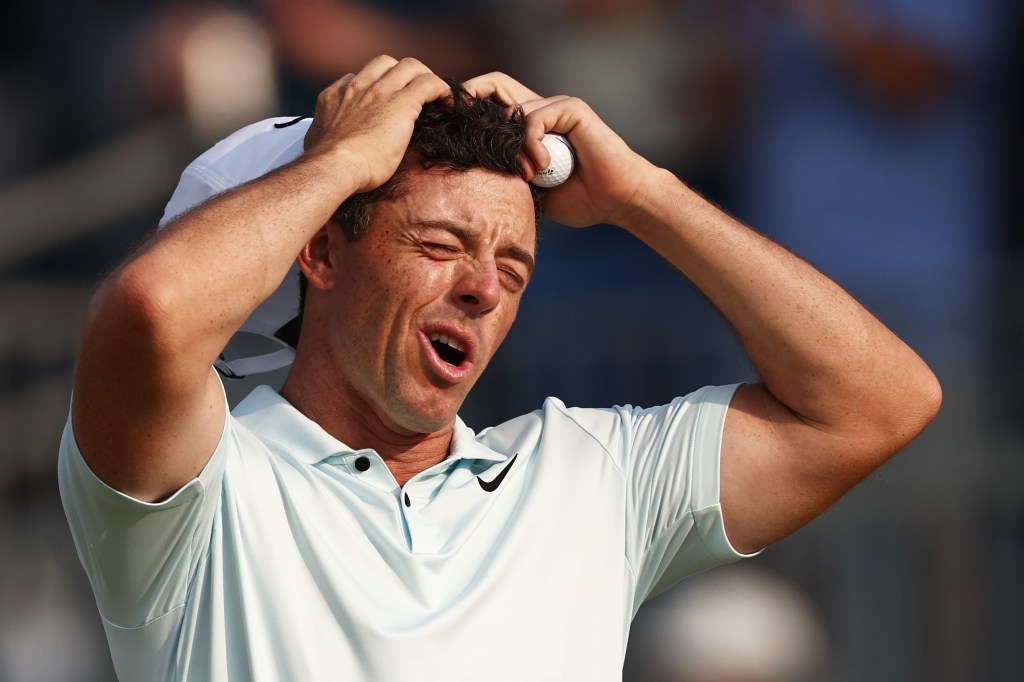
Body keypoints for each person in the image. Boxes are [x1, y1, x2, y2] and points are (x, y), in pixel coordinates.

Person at [58, 56, 940, 680]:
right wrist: (342, 160)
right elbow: (151, 313)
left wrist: (645, 195)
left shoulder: (593, 480)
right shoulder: (201, 483)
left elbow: (881, 402)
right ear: (319, 252)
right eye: (439, 246)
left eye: (514, 269)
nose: (482, 288)